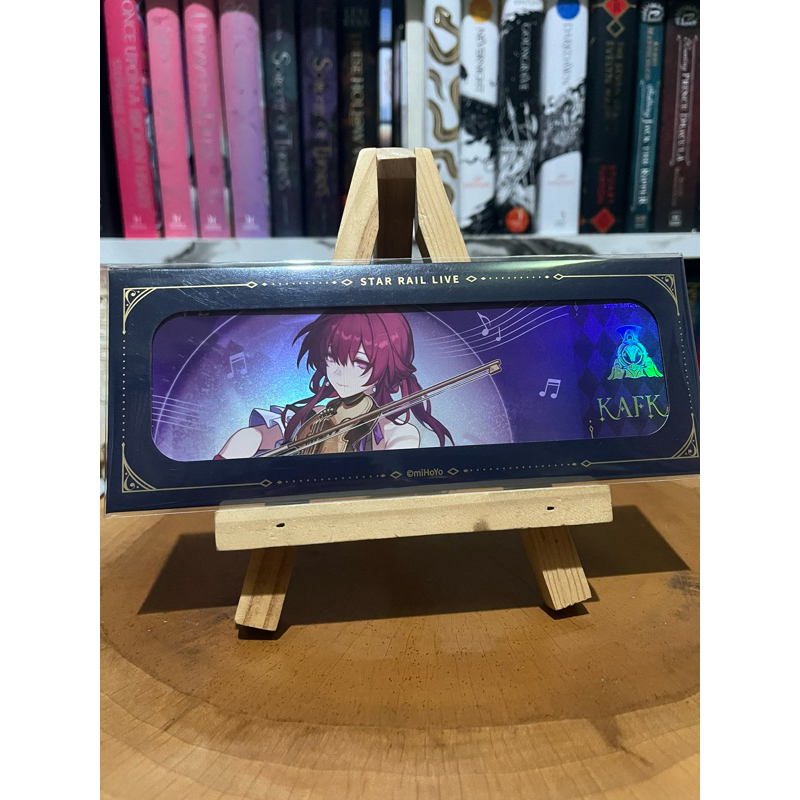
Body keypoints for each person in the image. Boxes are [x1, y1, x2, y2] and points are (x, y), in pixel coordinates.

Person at [215, 311, 453, 458]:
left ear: (387, 365)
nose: (340, 373)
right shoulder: (312, 416)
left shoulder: (396, 434)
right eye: (332, 358)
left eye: (359, 363)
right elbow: (257, 435)